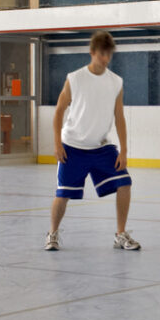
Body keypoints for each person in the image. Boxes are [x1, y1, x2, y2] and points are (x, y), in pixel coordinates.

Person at [45, 31, 138, 252]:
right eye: (101, 54)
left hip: (101, 147)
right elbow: (59, 111)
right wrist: (57, 143)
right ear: (92, 53)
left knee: (125, 182)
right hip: (72, 147)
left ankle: (120, 234)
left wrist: (124, 150)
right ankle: (52, 234)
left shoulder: (116, 82)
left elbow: (119, 117)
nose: (105, 59)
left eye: (108, 55)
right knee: (63, 195)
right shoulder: (75, 79)